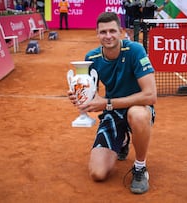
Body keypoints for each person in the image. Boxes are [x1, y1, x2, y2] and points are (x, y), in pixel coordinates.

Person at [67, 12, 157, 194]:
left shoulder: (135, 50)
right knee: (98, 173)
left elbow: (150, 95)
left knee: (137, 115)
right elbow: (93, 95)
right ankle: (122, 140)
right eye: (103, 32)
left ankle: (140, 167)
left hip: (138, 108)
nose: (108, 36)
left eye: (112, 31)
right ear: (97, 34)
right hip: (113, 114)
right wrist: (80, 96)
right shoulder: (91, 58)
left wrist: (107, 103)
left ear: (121, 31)